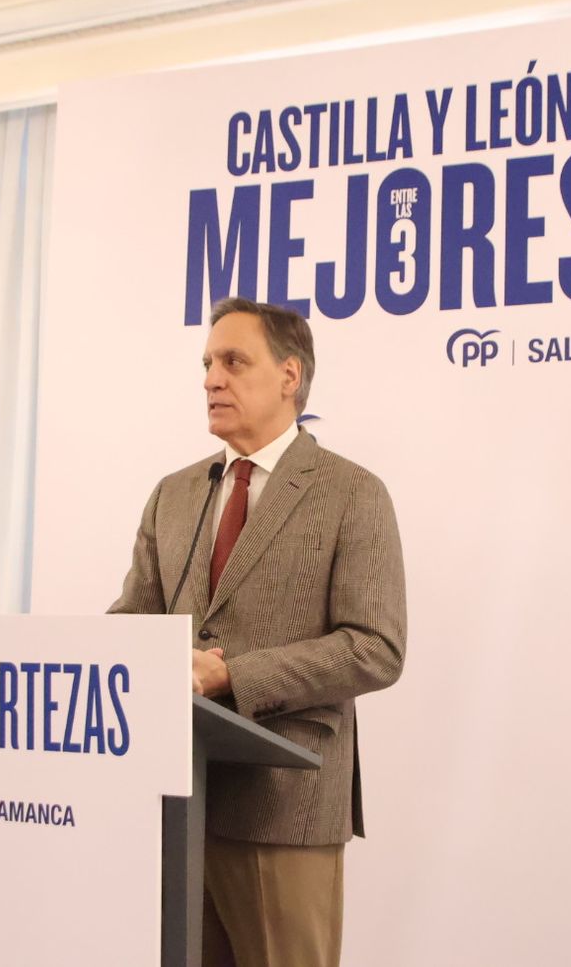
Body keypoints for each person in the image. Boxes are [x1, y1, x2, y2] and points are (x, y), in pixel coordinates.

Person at [108, 296, 407, 967]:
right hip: (179, 802)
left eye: (233, 361)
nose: (212, 377)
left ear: (289, 375)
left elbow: (376, 646)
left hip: (286, 808)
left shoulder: (353, 493)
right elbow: (133, 618)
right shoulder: (175, 493)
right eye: (208, 362)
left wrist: (232, 675)